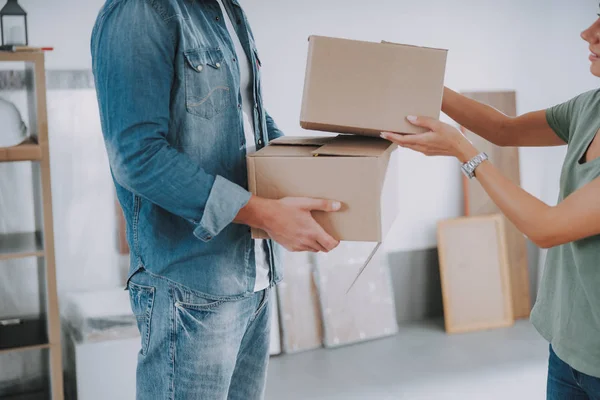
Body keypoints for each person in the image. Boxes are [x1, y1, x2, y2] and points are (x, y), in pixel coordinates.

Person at [91, 0, 340, 399]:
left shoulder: (228, 9)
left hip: (253, 276)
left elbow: (247, 120)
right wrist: (264, 214)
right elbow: (138, 157)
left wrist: (322, 163)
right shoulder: (140, 10)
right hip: (190, 284)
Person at [381, 12, 600, 400]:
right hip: (568, 346)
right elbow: (505, 129)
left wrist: (463, 151)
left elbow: (547, 228)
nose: (587, 34)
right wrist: (422, 79)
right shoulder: (591, 108)